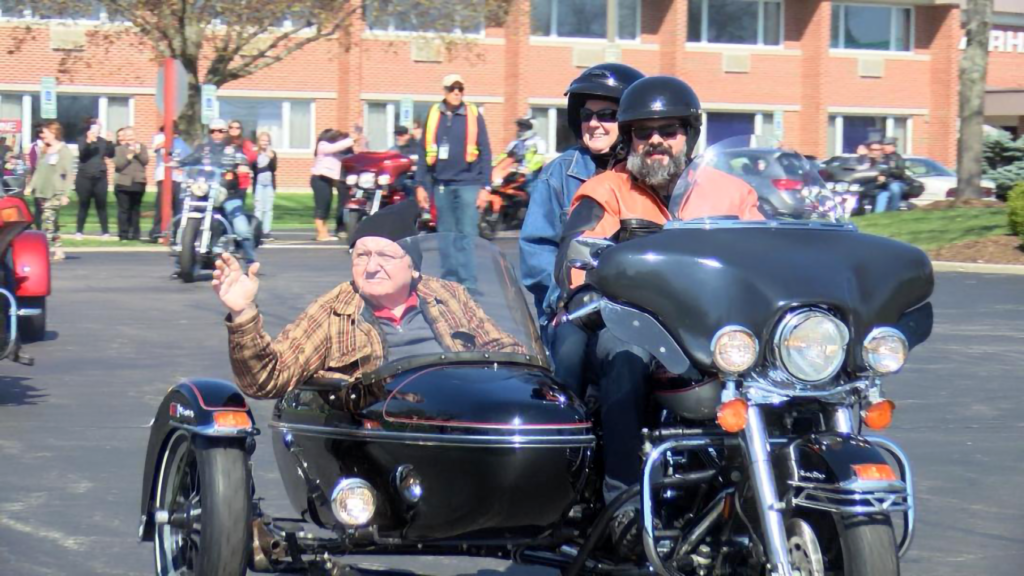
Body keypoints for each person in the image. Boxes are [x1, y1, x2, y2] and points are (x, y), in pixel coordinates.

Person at [555, 76, 762, 553]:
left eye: (668, 130)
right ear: (628, 139)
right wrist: (584, 277)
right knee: (621, 354)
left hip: (717, 329)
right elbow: (575, 257)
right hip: (635, 322)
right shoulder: (606, 190)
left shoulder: (731, 192)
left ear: (689, 134)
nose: (656, 142)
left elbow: (766, 252)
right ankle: (624, 501)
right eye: (643, 132)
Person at [213, 199, 524, 399]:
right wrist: (243, 313)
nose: (371, 267)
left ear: (413, 266)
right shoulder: (334, 310)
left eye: (385, 255)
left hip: (458, 420)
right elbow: (269, 378)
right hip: (380, 438)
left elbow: (508, 351)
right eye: (362, 255)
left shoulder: (450, 295)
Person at [518, 62, 644, 396]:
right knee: (570, 367)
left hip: (639, 308)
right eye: (587, 115)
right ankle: (568, 437)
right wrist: (566, 300)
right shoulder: (558, 174)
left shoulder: (651, 172)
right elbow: (537, 252)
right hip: (575, 309)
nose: (594, 124)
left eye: (606, 115)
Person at [413, 73, 493, 291]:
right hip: (441, 184)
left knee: (467, 234)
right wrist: (420, 184)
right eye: (452, 89)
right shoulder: (433, 115)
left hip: (469, 183)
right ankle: (449, 280)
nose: (456, 92)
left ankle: (468, 282)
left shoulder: (473, 114)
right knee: (445, 235)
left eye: (460, 89)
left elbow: (485, 151)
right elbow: (422, 152)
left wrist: (486, 187)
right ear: (445, 91)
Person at [179, 118, 257, 267]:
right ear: (209, 133)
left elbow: (243, 160)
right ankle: (181, 264)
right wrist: (178, 162)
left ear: (226, 132)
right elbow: (191, 158)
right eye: (213, 131)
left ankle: (251, 261)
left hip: (228, 193)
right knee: (186, 217)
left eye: (220, 131)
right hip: (205, 193)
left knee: (242, 230)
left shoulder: (233, 150)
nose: (217, 134)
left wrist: (243, 166)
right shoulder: (203, 149)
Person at [25, 120, 73, 261]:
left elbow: (69, 174)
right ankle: (58, 248)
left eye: (44, 132)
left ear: (53, 132)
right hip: (41, 190)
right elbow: (38, 171)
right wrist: (30, 186)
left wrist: (65, 194)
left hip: (55, 191)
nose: (42, 135)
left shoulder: (64, 151)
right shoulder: (44, 150)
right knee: (49, 222)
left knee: (48, 220)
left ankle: (43, 249)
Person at [148, 122, 193, 242]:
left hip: (178, 178)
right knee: (162, 205)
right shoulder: (159, 137)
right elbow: (157, 149)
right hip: (163, 176)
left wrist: (183, 169)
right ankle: (158, 232)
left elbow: (188, 157)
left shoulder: (180, 142)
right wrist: (167, 141)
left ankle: (178, 233)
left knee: (178, 205)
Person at [310, 128, 355, 241]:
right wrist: (352, 139)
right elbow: (336, 147)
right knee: (321, 207)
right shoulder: (323, 145)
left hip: (327, 180)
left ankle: (324, 233)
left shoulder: (334, 153)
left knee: (326, 206)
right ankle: (321, 234)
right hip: (320, 179)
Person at [74, 117, 114, 240]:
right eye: (96, 125)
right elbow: (83, 154)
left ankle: (105, 232)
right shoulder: (82, 140)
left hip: (100, 177)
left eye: (99, 126)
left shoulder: (102, 141)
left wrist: (109, 142)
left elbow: (110, 154)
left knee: (101, 205)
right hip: (84, 177)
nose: (98, 127)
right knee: (83, 204)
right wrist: (89, 141)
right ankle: (79, 231)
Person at [112, 126, 149, 241]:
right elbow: (118, 165)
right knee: (124, 210)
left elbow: (145, 161)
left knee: (135, 209)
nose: (130, 139)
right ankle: (123, 234)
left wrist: (138, 153)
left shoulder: (142, 147)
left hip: (138, 182)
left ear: (135, 136)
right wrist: (128, 157)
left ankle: (135, 234)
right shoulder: (119, 149)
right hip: (123, 183)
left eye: (132, 136)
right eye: (127, 136)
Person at [253, 132, 278, 241]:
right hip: (258, 184)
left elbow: (274, 168)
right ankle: (257, 231)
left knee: (268, 209)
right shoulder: (255, 153)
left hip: (269, 184)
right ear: (259, 141)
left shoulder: (272, 153)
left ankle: (266, 231)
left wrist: (271, 159)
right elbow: (254, 168)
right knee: (259, 208)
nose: (265, 143)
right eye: (263, 140)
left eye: (267, 141)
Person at [875, 136, 907, 213]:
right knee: (882, 195)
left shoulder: (897, 158)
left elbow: (900, 173)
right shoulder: (881, 158)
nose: (884, 147)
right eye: (884, 145)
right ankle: (878, 216)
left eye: (886, 145)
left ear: (893, 146)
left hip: (897, 182)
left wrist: (887, 172)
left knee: (894, 188)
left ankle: (893, 211)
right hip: (885, 185)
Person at [227, 119, 258, 194]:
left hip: (241, 181)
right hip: (226, 180)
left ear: (241, 130)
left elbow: (253, 158)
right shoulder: (224, 143)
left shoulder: (246, 143)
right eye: (231, 127)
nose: (234, 129)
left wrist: (247, 167)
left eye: (237, 128)